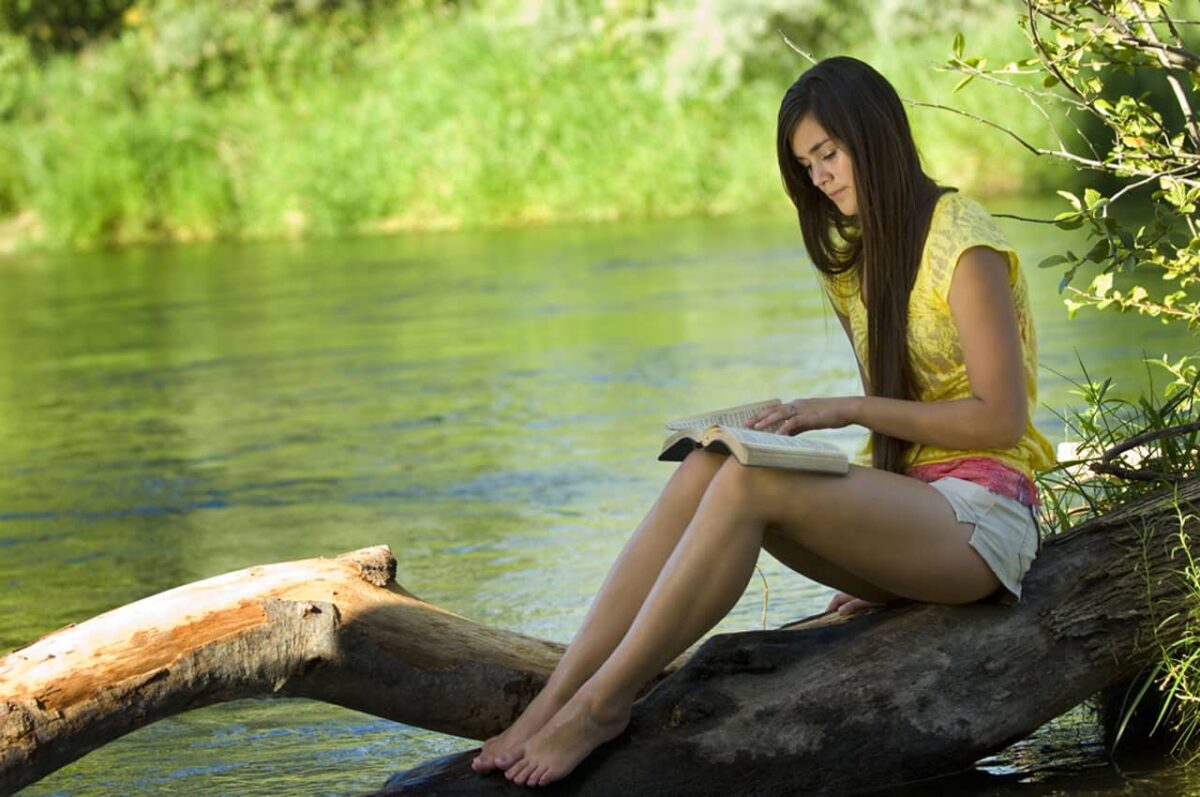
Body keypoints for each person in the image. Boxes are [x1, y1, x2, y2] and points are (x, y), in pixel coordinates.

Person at [470, 55, 1056, 787]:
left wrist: (840, 408)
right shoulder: (859, 262)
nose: (821, 177)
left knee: (752, 485)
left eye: (829, 154)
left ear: (875, 137)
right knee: (711, 462)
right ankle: (551, 700)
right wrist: (882, 563)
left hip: (986, 518)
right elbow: (906, 432)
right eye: (807, 165)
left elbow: (1001, 417)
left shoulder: (961, 240)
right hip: (918, 518)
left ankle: (601, 707)